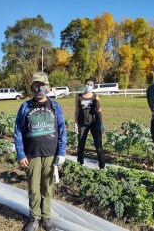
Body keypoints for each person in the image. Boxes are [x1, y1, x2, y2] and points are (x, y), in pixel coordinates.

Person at [14, 72, 67, 231]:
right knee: (34, 187)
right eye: (36, 86)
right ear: (32, 88)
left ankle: (46, 217)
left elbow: (62, 130)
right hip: (31, 155)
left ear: (48, 87)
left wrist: (62, 152)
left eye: (43, 86)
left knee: (47, 187)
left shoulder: (55, 106)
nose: (39, 89)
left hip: (50, 154)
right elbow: (17, 131)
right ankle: (34, 217)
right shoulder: (25, 107)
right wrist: (21, 153)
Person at [74, 78, 105, 169]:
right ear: (84, 85)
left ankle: (102, 166)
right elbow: (76, 111)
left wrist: (102, 124)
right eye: (87, 84)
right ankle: (80, 164)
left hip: (95, 123)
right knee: (81, 144)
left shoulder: (95, 96)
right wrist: (75, 124)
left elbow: (99, 111)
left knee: (98, 144)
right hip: (82, 123)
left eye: (91, 85)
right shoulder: (79, 96)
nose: (89, 86)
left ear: (93, 87)